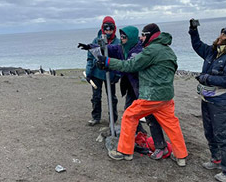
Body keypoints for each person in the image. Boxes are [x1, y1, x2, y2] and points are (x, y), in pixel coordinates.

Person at [98, 23, 188, 166]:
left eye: (143, 35)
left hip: (151, 96)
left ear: (150, 36)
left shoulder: (150, 51)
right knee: (172, 124)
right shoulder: (168, 50)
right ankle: (181, 156)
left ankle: (125, 152)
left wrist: (108, 61)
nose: (140, 38)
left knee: (129, 115)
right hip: (166, 97)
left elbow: (130, 65)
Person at [189, 19, 226, 182]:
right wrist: (193, 30)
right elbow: (197, 45)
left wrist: (206, 78)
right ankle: (216, 159)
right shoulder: (212, 52)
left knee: (222, 135)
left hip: (221, 101)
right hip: (207, 98)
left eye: (223, 34)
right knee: (210, 132)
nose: (219, 36)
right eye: (220, 33)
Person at [104, 26, 168, 159]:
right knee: (129, 111)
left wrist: (108, 62)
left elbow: (129, 65)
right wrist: (91, 47)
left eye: (124, 37)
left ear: (131, 37)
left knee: (150, 116)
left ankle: (160, 146)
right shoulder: (123, 47)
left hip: (142, 88)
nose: (122, 39)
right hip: (131, 87)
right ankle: (137, 136)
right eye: (121, 37)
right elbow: (110, 49)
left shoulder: (139, 51)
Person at [78, 15, 119, 126]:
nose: (108, 30)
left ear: (114, 28)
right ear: (102, 28)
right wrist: (89, 73)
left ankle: (113, 119)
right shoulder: (96, 40)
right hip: (97, 73)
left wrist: (117, 75)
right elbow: (90, 58)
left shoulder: (117, 42)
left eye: (111, 28)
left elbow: (120, 59)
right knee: (96, 97)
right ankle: (96, 117)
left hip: (110, 74)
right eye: (106, 28)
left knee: (112, 97)